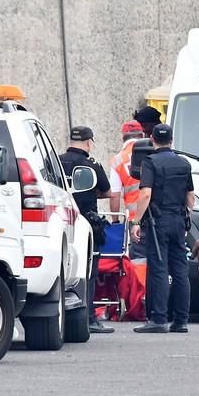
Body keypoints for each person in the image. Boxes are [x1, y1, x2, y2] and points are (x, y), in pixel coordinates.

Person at [130, 124, 194, 333]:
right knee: (180, 270)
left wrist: (136, 221)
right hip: (178, 220)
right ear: (172, 140)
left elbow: (146, 194)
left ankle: (158, 319)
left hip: (159, 221)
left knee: (159, 269)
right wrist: (183, 217)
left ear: (152, 139)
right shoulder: (184, 163)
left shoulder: (150, 162)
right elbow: (190, 198)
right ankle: (181, 320)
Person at [59, 125, 114, 334]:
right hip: (85, 223)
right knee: (88, 271)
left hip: (61, 222)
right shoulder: (91, 164)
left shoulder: (56, 160)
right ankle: (89, 318)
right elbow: (108, 192)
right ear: (89, 142)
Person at [109, 120, 146, 259]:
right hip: (160, 214)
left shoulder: (117, 160)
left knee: (138, 258)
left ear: (122, 137)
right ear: (142, 135)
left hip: (135, 217)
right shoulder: (155, 153)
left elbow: (115, 195)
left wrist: (115, 221)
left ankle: (140, 281)